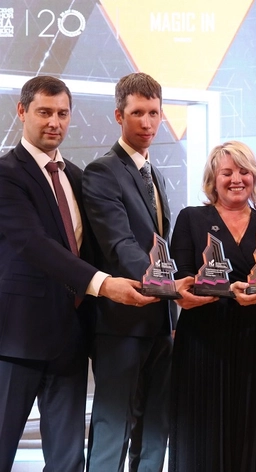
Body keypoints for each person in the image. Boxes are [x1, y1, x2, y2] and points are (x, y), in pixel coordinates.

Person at [0, 76, 156, 472]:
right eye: (44, 112)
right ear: (22, 112)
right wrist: (104, 284)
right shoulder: (6, 174)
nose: (54, 122)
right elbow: (32, 243)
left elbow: (96, 246)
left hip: (70, 338)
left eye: (62, 113)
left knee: (68, 461)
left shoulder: (76, 176)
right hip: (17, 342)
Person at [168, 140, 256, 471]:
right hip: (201, 344)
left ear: (254, 176)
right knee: (203, 439)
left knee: (252, 434)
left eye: (244, 171)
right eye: (227, 172)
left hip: (253, 342)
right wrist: (227, 291)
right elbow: (181, 284)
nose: (236, 179)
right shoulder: (191, 219)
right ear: (213, 179)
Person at [82, 72, 177, 472]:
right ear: (119, 115)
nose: (147, 122)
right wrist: (170, 286)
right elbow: (119, 245)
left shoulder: (157, 175)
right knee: (112, 429)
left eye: (154, 112)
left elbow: (160, 247)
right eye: (138, 112)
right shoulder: (102, 171)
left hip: (161, 323)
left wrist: (172, 303)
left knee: (155, 433)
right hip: (120, 322)